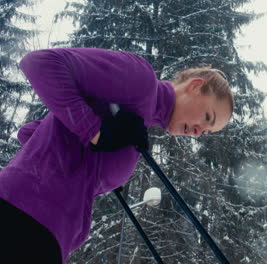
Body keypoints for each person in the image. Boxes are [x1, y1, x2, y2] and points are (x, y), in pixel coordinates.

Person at [0, 48, 234, 263]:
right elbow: (40, 63)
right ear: (194, 85)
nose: (198, 132)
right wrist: (95, 132)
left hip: (44, 234)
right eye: (207, 117)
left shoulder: (138, 122)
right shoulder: (141, 82)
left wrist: (88, 158)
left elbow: (31, 133)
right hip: (23, 220)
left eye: (206, 132)